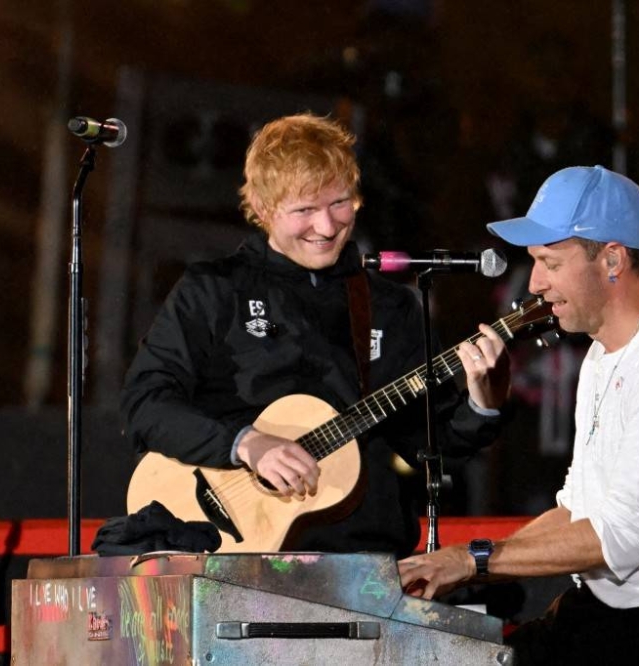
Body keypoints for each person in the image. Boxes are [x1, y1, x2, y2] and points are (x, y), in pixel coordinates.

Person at [398, 165, 639, 664]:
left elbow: (619, 541)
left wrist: (470, 561)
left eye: (551, 262)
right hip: (608, 615)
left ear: (611, 259)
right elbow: (576, 512)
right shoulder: (603, 353)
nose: (537, 283)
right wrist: (461, 562)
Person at [120, 113, 511, 557]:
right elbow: (145, 404)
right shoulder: (214, 290)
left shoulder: (391, 306)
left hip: (361, 556)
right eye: (304, 210)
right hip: (231, 552)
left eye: (339, 204)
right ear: (264, 210)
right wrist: (245, 443)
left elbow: (432, 444)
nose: (326, 228)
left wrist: (483, 403)